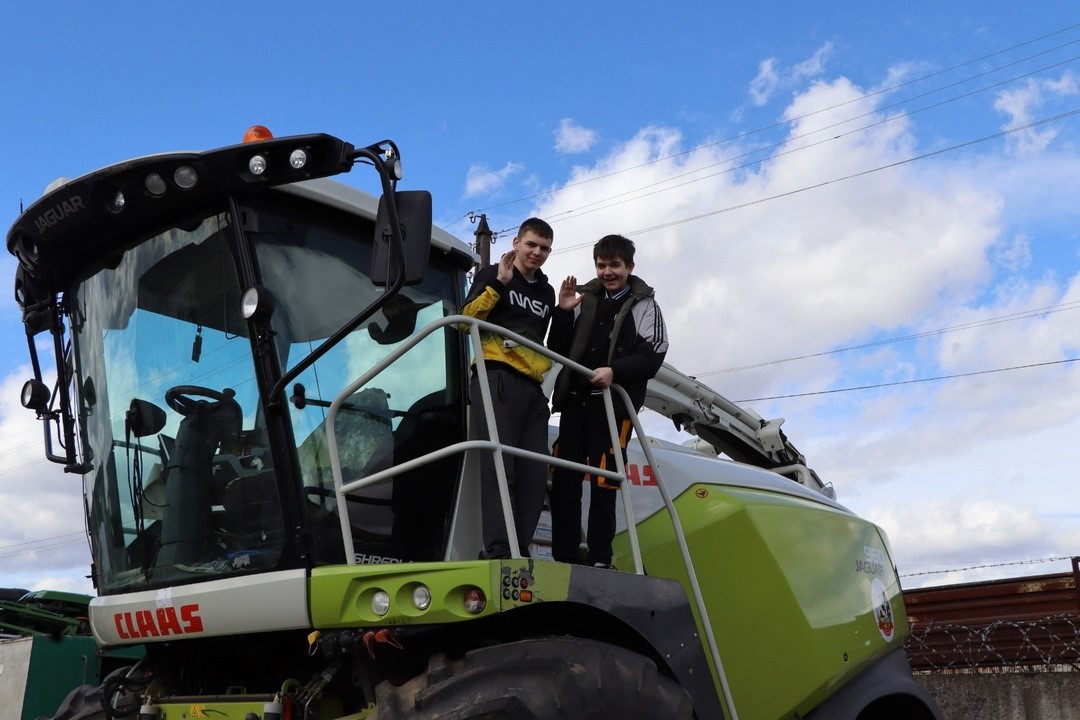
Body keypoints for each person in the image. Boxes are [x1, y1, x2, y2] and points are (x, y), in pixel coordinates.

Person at [548, 234, 668, 568]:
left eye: (614, 265)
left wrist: (614, 371)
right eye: (601, 265)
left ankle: (601, 557)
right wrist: (562, 310)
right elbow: (557, 349)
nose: (607, 272)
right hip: (575, 401)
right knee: (564, 479)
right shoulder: (583, 298)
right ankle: (565, 556)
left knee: (605, 479)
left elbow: (653, 355)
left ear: (630, 267)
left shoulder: (645, 306)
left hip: (613, 405)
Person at [460, 217, 556, 559]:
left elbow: (545, 344)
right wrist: (498, 284)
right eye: (531, 244)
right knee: (502, 468)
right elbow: (465, 320)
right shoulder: (492, 274)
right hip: (496, 375)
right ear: (516, 243)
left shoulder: (546, 292)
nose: (537, 252)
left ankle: (520, 547)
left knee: (534, 475)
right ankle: (499, 549)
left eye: (544, 248)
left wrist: (566, 314)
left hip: (533, 387)